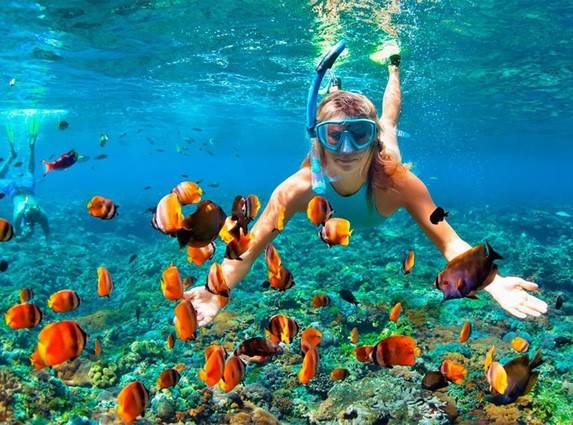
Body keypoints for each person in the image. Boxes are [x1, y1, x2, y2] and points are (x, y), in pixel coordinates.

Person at [184, 52, 548, 327]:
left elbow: (449, 242)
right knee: (339, 110)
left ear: (372, 142)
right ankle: (334, 91)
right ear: (320, 140)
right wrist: (218, 292)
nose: (346, 149)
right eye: (334, 136)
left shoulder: (397, 181)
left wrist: (490, 279)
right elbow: (249, 247)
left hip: (384, 159)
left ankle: (392, 66)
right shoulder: (298, 189)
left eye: (360, 134)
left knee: (389, 120)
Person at [0, 116, 50, 241]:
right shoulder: (25, 214)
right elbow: (18, 237)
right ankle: (15, 155)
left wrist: (25, 234)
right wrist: (26, 235)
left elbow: (19, 234)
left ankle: (29, 150)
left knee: (29, 170)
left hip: (26, 188)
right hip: (14, 189)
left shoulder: (34, 214)